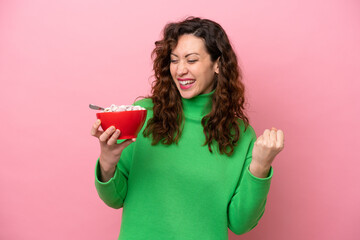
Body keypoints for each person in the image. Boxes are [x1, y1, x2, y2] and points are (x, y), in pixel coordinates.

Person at [91, 16, 285, 240]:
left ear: (218, 65)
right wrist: (107, 161)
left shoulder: (240, 134)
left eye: (191, 60)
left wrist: (260, 166)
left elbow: (240, 223)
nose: (180, 70)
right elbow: (115, 198)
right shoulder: (144, 114)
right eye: (174, 60)